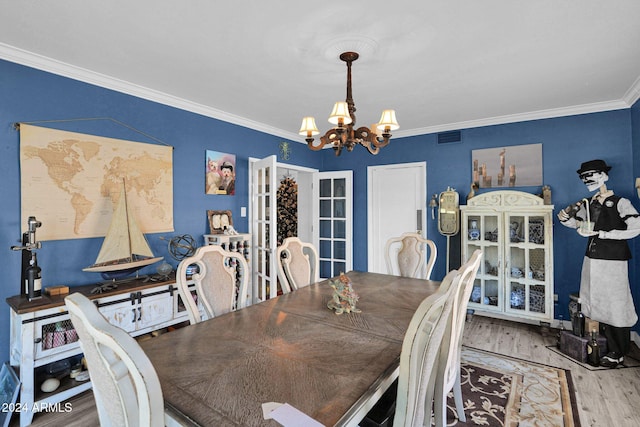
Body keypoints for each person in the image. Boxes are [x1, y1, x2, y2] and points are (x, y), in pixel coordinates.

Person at [558, 159, 640, 367]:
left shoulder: (620, 203)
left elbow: (635, 227)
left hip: (613, 260)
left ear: (604, 175)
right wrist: (565, 219)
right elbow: (582, 224)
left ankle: (619, 349)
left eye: (590, 175)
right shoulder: (589, 203)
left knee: (615, 301)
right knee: (594, 297)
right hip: (592, 258)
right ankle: (600, 340)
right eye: (583, 176)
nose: (586, 180)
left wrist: (604, 233)